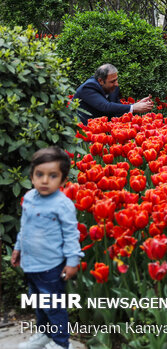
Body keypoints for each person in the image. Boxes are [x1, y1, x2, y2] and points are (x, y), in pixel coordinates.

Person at [11, 147, 84, 349]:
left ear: (62, 180)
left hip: (51, 266)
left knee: (54, 306)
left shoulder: (62, 204)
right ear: (32, 176)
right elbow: (24, 227)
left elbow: (71, 235)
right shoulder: (29, 198)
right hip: (30, 263)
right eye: (39, 175)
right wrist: (17, 249)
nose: (45, 180)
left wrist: (72, 262)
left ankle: (61, 343)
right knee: (38, 303)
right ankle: (44, 334)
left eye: (52, 176)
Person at [73, 64, 153, 124]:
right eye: (112, 81)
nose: (116, 84)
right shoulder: (88, 87)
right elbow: (105, 106)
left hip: (103, 128)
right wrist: (133, 107)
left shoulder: (112, 86)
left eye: (116, 80)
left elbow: (116, 107)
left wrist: (137, 105)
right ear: (100, 81)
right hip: (83, 131)